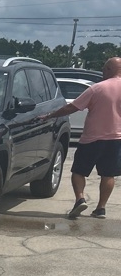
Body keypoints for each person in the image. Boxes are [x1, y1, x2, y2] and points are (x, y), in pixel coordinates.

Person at [42, 57, 121, 219]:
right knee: (108, 175)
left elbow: (72, 107)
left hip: (92, 138)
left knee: (78, 171)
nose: (102, 72)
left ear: (109, 69)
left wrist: (50, 115)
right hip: (116, 140)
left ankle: (80, 199)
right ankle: (101, 208)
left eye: (104, 69)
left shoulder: (97, 88)